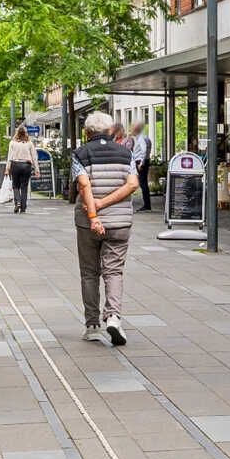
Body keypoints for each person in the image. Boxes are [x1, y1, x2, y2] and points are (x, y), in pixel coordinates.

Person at [70, 110, 138, 345]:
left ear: (87, 132)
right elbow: (132, 185)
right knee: (114, 271)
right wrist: (106, 203)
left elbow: (83, 185)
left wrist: (94, 214)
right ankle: (114, 318)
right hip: (119, 222)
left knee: (89, 272)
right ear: (110, 131)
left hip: (88, 224)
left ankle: (92, 325)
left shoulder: (81, 154)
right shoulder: (125, 153)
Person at [6, 123, 37, 212]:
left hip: (15, 165)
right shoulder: (29, 143)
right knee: (24, 186)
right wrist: (36, 169)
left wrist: (7, 168)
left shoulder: (12, 143)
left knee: (15, 185)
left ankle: (17, 202)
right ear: (26, 133)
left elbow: (9, 156)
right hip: (26, 165)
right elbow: (34, 157)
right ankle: (23, 207)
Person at [130, 119, 155, 208]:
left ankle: (147, 205)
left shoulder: (141, 138)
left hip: (141, 162)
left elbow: (144, 151)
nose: (131, 129)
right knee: (143, 183)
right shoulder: (145, 137)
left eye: (132, 127)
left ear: (136, 129)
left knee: (142, 183)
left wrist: (141, 163)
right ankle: (147, 204)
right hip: (145, 161)